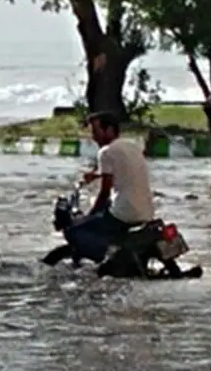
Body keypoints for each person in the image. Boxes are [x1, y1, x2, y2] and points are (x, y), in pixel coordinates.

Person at [62, 111, 156, 264]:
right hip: (147, 212)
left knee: (77, 230)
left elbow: (105, 192)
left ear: (110, 130)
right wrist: (96, 174)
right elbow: (121, 170)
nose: (93, 137)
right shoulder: (131, 147)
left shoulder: (105, 152)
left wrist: (89, 216)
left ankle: (104, 262)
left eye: (96, 131)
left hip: (124, 212)